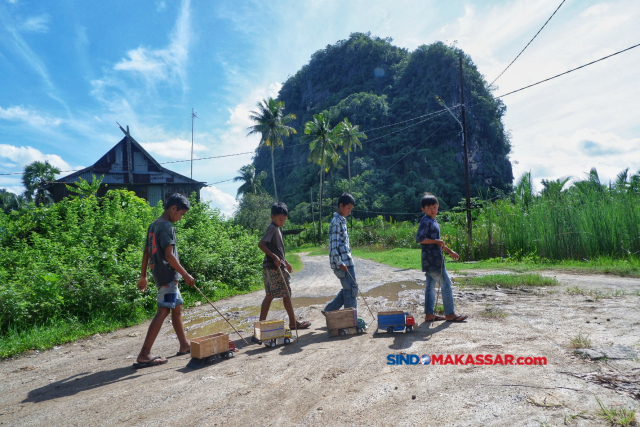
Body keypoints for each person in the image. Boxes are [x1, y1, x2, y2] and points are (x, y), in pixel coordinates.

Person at [134, 193, 195, 368]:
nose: (180, 218)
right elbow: (169, 255)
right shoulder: (167, 227)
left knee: (176, 308)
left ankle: (184, 345)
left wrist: (143, 275)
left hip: (161, 276)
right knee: (163, 311)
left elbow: (146, 251)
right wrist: (185, 274)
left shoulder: (153, 225)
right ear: (173, 208)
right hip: (169, 277)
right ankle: (144, 354)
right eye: (181, 214)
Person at [255, 202, 310, 343]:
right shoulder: (273, 228)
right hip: (273, 268)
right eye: (280, 219)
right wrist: (274, 258)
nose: (283, 222)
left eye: (284, 219)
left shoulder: (277, 228)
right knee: (285, 293)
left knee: (271, 295)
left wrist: (285, 261)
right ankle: (292, 323)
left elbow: (277, 250)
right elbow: (261, 244)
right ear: (272, 217)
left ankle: (261, 327)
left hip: (271, 267)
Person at [416, 193, 468, 323]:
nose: (433, 210)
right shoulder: (426, 221)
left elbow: (438, 242)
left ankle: (429, 314)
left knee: (430, 287)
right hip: (433, 261)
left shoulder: (433, 221)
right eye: (429, 208)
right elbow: (420, 239)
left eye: (434, 207)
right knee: (446, 284)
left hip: (431, 260)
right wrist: (436, 241)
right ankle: (450, 314)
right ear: (423, 209)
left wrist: (449, 251)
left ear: (438, 207)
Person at [323, 193, 358, 313]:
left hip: (347, 261)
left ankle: (329, 311)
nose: (349, 211)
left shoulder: (342, 220)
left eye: (351, 209)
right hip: (343, 264)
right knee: (351, 289)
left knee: (349, 288)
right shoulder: (336, 222)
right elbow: (333, 246)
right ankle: (350, 319)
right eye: (348, 208)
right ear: (341, 206)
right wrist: (340, 262)